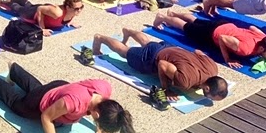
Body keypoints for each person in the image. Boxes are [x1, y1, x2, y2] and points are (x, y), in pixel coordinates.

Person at [0, 62, 135, 133]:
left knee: (37, 89)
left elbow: (103, 112)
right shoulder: (74, 103)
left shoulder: (105, 89)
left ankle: (14, 70)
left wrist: (101, 130)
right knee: (18, 104)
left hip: (61, 88)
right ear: (98, 115)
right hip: (47, 99)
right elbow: (46, 117)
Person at [90, 28, 228, 107]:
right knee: (125, 52)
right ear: (207, 88)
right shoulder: (186, 81)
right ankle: (100, 38)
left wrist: (185, 61)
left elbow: (198, 52)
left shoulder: (213, 68)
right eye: (210, 97)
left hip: (171, 48)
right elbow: (162, 65)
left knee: (148, 42)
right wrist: (166, 89)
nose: (208, 98)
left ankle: (128, 32)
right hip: (153, 57)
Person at [153, 10, 266, 69]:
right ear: (262, 48)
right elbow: (222, 38)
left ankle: (174, 13)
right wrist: (227, 59)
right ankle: (163, 17)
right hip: (212, 33)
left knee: (195, 20)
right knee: (184, 26)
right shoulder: (246, 49)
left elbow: (252, 27)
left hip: (225, 25)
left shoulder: (264, 37)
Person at [0, 0, 83, 36]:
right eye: (76, 9)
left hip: (45, 9)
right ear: (67, 7)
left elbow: (74, 11)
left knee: (28, 5)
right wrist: (42, 29)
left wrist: (70, 21)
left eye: (81, 7)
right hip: (34, 13)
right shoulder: (57, 13)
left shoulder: (73, 10)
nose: (79, 10)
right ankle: (1, 2)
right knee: (19, 10)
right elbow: (40, 9)